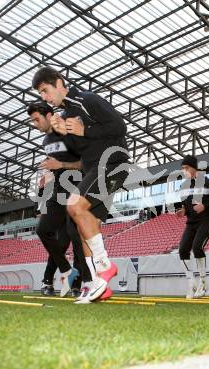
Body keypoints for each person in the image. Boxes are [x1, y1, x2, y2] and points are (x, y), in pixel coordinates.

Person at [33, 66, 130, 301]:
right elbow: (81, 148)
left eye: (45, 91)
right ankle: (97, 284)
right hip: (93, 167)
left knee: (74, 206)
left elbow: (120, 127)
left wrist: (84, 128)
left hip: (112, 163)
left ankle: (104, 266)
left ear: (59, 82)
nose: (45, 98)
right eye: (41, 94)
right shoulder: (64, 115)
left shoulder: (87, 99)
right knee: (84, 226)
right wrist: (64, 132)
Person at [27, 102, 91, 299]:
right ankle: (67, 271)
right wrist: (48, 172)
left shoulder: (69, 131)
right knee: (43, 230)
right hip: (58, 191)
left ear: (49, 115)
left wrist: (61, 164)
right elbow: (54, 164)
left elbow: (86, 163)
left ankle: (85, 283)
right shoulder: (46, 141)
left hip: (79, 189)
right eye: (32, 121)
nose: (35, 124)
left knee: (75, 238)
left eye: (37, 119)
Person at [177, 155, 209, 299]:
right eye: (182, 168)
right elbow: (184, 205)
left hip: (207, 220)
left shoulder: (208, 183)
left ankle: (203, 282)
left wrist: (205, 205)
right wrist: (182, 211)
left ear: (194, 168)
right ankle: (191, 283)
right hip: (191, 222)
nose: (184, 171)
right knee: (182, 250)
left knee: (197, 247)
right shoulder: (182, 186)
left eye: (186, 168)